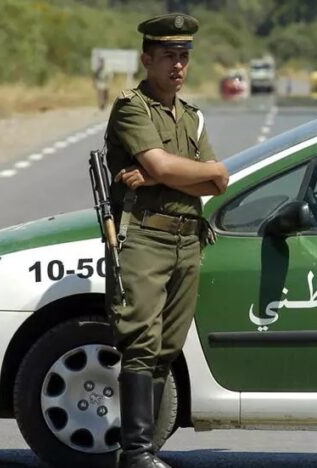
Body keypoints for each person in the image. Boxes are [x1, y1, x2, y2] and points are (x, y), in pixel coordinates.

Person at [103, 12, 229, 468]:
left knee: (167, 348)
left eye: (183, 57)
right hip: (145, 238)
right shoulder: (132, 107)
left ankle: (147, 451)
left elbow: (219, 180)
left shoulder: (190, 117)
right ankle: (135, 453)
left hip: (187, 240)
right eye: (168, 56)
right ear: (147, 59)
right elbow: (167, 166)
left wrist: (166, 175)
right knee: (141, 344)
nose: (178, 65)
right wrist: (180, 172)